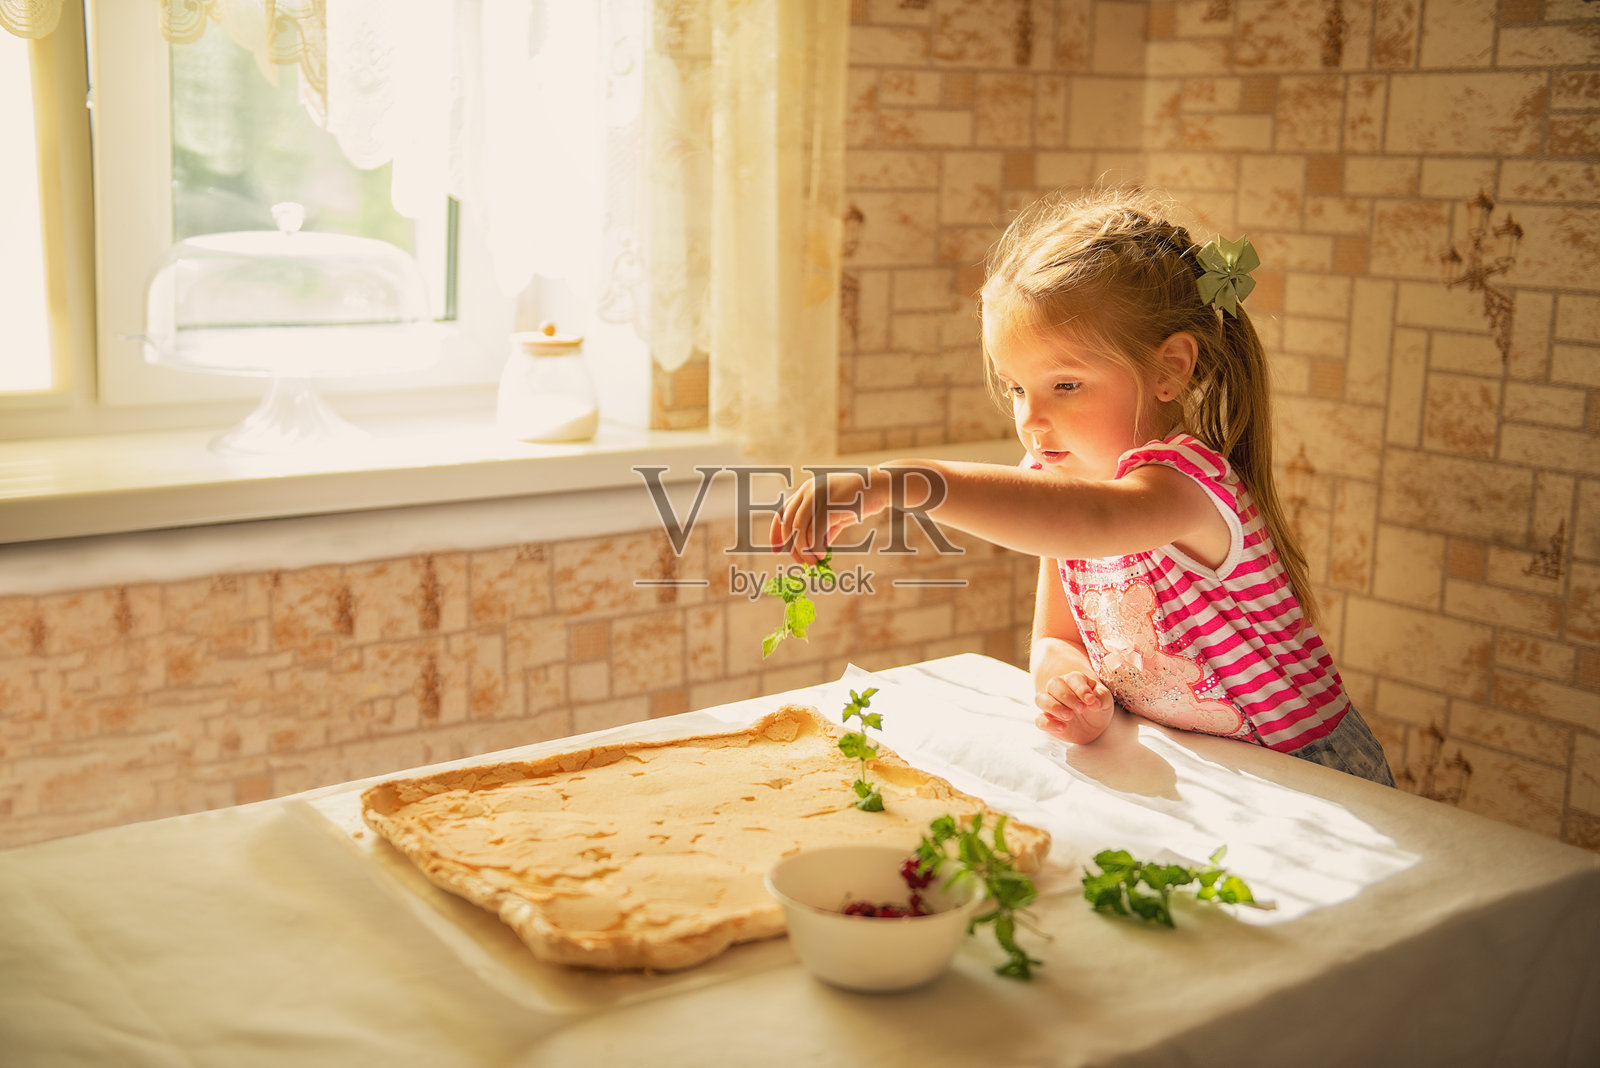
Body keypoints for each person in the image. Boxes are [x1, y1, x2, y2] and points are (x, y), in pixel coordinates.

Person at [771, 187, 1395, 786]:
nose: (1031, 418)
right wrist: (1070, 688)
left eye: (1064, 385)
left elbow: (1092, 522)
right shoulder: (1061, 486)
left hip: (1309, 778)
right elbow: (1057, 639)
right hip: (1202, 770)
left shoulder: (1187, 486)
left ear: (1169, 370)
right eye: (1018, 388)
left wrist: (902, 484)